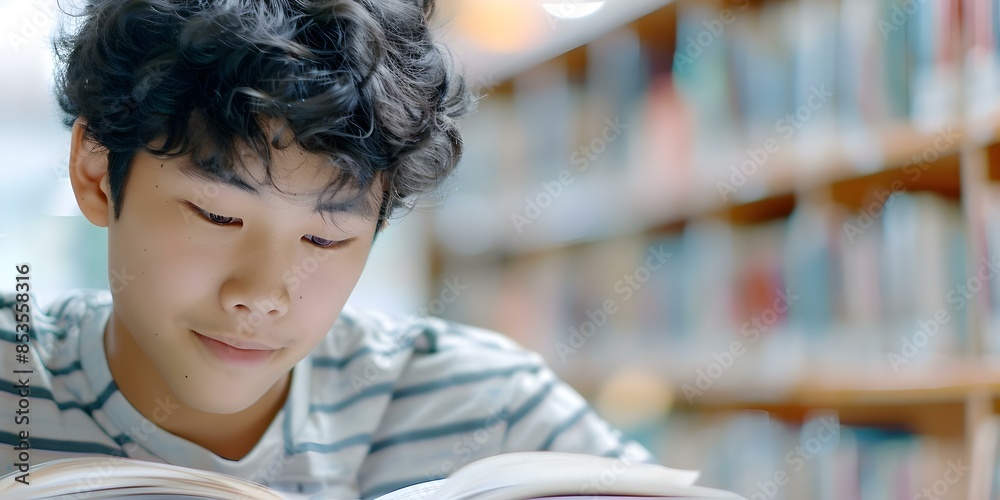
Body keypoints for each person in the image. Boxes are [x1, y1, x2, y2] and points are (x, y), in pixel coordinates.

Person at [0, 0, 656, 497]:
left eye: (326, 237)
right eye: (217, 215)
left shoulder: (492, 405)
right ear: (95, 172)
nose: (261, 296)